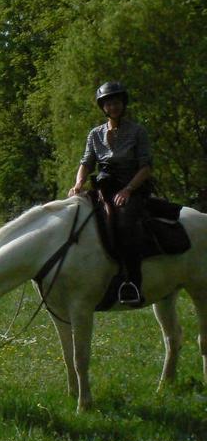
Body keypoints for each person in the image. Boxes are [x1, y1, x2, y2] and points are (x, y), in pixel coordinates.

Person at [68, 81, 152, 306]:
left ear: (123, 104)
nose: (113, 107)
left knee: (124, 223)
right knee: (79, 217)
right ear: (103, 107)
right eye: (108, 103)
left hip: (132, 186)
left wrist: (128, 190)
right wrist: (78, 184)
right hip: (105, 187)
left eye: (116, 102)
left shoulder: (137, 131)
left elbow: (146, 167)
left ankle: (131, 282)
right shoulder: (95, 134)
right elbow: (86, 163)